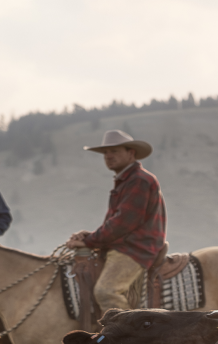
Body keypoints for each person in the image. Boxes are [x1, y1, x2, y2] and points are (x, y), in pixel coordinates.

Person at [66, 130, 166, 311]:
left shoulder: (140, 180)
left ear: (131, 153)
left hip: (134, 248)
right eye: (105, 152)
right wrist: (90, 235)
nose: (108, 156)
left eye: (114, 151)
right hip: (126, 245)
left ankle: (128, 336)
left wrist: (89, 241)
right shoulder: (127, 180)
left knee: (106, 291)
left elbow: (123, 223)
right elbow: (117, 222)